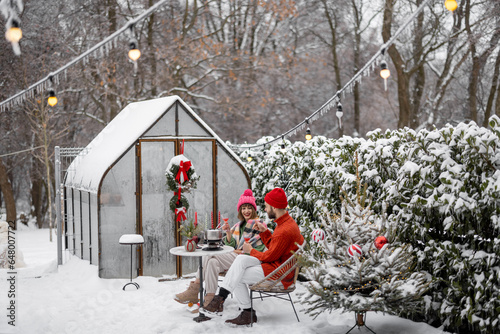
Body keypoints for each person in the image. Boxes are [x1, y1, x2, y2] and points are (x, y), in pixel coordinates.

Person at [203, 187, 304, 326]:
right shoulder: (285, 224)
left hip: (279, 274)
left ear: (274, 207)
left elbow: (269, 256)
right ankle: (223, 299)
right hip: (276, 266)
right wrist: (265, 232)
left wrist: (250, 250)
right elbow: (275, 247)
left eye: (267, 206)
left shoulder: (284, 230)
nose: (265, 209)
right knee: (240, 261)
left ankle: (242, 309)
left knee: (235, 274)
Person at [174, 189, 266, 311]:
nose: (246, 211)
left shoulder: (258, 224)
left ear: (254, 209)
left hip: (248, 261)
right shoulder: (239, 225)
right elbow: (231, 244)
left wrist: (240, 251)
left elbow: (258, 248)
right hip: (235, 257)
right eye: (243, 208)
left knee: (209, 254)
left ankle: (195, 288)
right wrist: (228, 233)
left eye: (249, 208)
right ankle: (211, 300)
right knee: (212, 261)